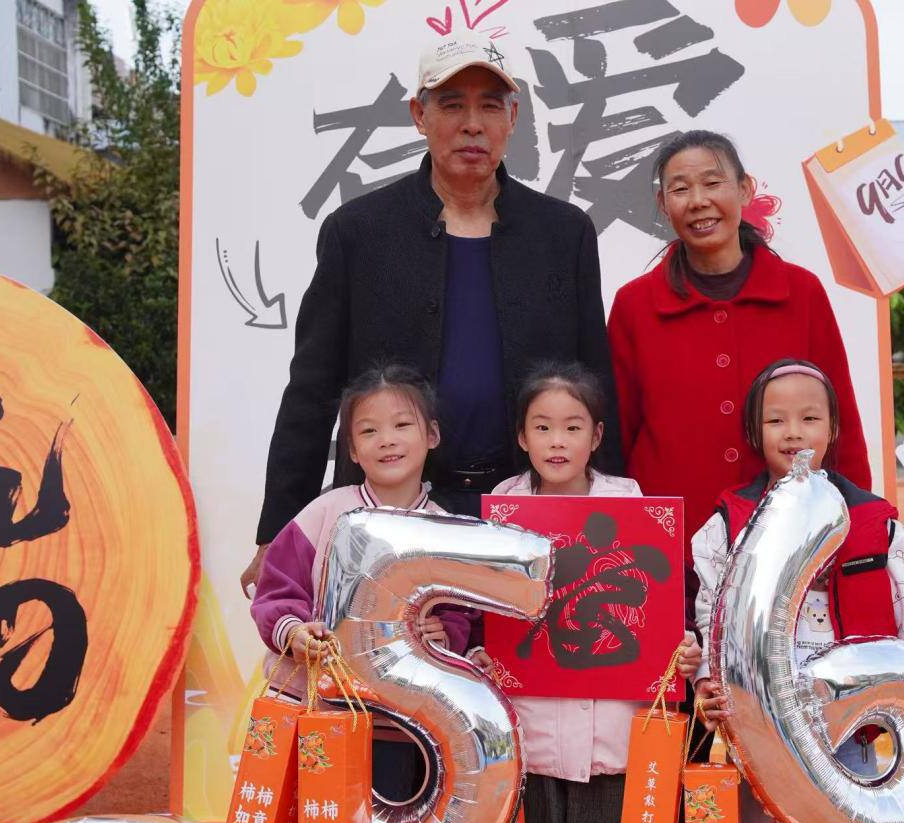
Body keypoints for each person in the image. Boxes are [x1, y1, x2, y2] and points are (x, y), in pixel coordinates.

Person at [244, 34, 621, 594]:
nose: (472, 125)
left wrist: (614, 514)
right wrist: (278, 531)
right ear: (419, 115)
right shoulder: (358, 232)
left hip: (530, 510)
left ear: (513, 118)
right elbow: (312, 389)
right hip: (388, 516)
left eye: (490, 105)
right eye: (451, 104)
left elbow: (594, 383)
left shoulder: (563, 234)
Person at [689, 358, 904, 823]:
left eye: (809, 418)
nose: (793, 432)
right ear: (754, 432)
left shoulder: (878, 526)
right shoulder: (727, 527)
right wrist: (705, 683)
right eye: (775, 420)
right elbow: (709, 625)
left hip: (854, 732)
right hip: (762, 737)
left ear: (833, 428)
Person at [607, 131, 871, 556]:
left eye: (713, 183)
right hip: (666, 545)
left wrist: (858, 527)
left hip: (786, 544)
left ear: (745, 189)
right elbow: (616, 437)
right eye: (680, 189)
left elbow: (842, 428)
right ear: (663, 204)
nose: (698, 201)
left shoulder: (801, 293)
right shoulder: (634, 305)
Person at [471, 362, 701, 823]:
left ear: (596, 436)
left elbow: (668, 610)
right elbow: (478, 611)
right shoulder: (500, 513)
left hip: (613, 732)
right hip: (527, 728)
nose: (557, 442)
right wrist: (479, 653)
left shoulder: (633, 507)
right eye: (542, 428)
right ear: (522, 437)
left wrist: (683, 647)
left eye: (572, 428)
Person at [249, 364, 476, 800]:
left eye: (402, 425)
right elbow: (276, 589)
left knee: (384, 819)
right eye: (369, 431)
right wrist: (295, 632)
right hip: (312, 709)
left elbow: (460, 614)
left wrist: (444, 634)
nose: (387, 439)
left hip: (400, 724)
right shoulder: (324, 513)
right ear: (352, 450)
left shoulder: (448, 532)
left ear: (432, 435)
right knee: (317, 820)